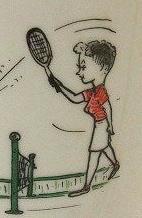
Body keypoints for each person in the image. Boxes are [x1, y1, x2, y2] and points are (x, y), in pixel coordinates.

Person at [50, 40, 120, 197]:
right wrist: (59, 85)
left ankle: (87, 186)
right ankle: (115, 164)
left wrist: (110, 126)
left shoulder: (100, 92)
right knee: (104, 147)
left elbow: (108, 107)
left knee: (94, 153)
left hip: (102, 125)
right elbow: (75, 98)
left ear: (102, 69)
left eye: (83, 67)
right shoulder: (92, 92)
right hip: (100, 125)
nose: (79, 72)